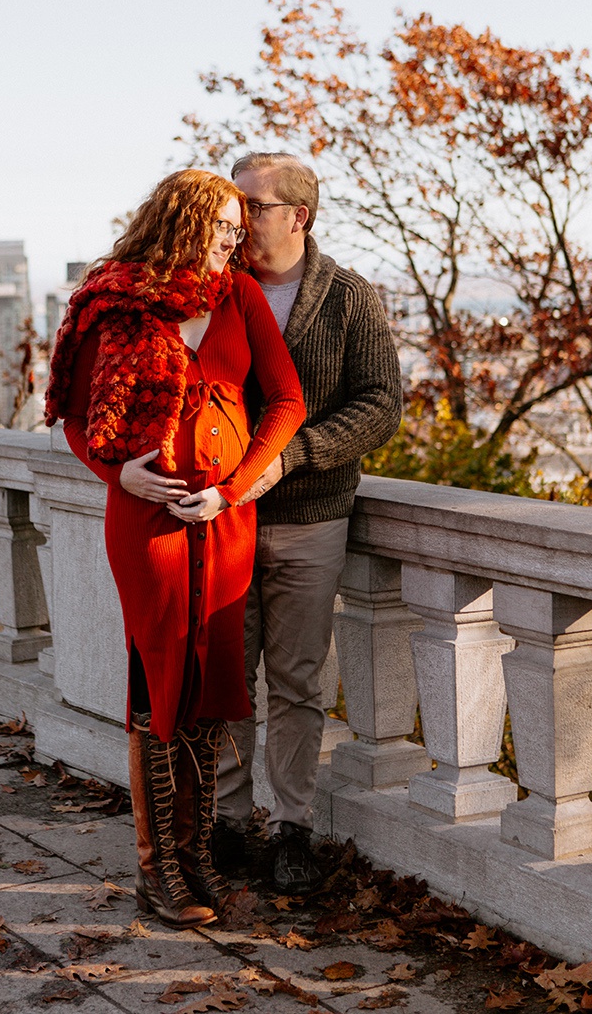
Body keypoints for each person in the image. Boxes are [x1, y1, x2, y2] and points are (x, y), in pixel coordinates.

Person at [44, 169, 304, 929]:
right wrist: (115, 470)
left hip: (224, 522)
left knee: (216, 681)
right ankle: (156, 872)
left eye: (240, 226)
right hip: (146, 525)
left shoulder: (239, 296)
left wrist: (235, 486)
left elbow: (285, 401)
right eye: (223, 226)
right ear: (182, 225)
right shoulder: (112, 303)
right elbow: (73, 415)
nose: (236, 238)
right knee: (158, 685)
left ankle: (196, 863)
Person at [214, 152, 402, 894]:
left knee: (293, 681)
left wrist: (293, 458)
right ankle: (228, 823)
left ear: (298, 215)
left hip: (310, 519)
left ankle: (291, 829)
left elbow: (380, 402)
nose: (239, 219)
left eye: (253, 206)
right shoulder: (214, 292)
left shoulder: (348, 298)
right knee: (227, 681)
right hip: (219, 521)